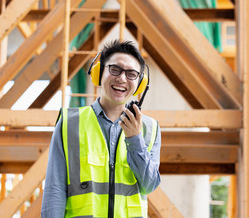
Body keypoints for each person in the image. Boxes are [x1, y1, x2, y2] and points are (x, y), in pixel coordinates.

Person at [41, 40, 161, 218]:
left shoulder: (150, 129)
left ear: (140, 84)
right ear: (99, 73)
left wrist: (135, 139)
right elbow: (54, 190)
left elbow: (149, 185)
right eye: (115, 69)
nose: (122, 78)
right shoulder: (69, 124)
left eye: (131, 74)